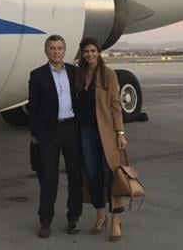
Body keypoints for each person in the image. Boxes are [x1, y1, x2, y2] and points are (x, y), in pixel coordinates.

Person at [73, 37, 128, 242]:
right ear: (82, 54)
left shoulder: (108, 74)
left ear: (99, 52)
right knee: (92, 174)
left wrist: (120, 133)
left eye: (93, 51)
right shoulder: (79, 75)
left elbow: (115, 105)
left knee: (111, 175)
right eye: (86, 51)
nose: (90, 55)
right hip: (86, 132)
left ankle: (116, 220)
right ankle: (100, 215)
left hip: (106, 132)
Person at [28, 35, 82, 239]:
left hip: (71, 129)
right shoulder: (37, 75)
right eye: (52, 48)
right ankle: (45, 221)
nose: (56, 52)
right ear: (46, 51)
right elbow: (33, 107)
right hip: (49, 132)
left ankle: (73, 218)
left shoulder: (74, 72)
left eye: (60, 48)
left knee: (75, 176)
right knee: (49, 178)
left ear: (65, 51)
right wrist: (35, 133)